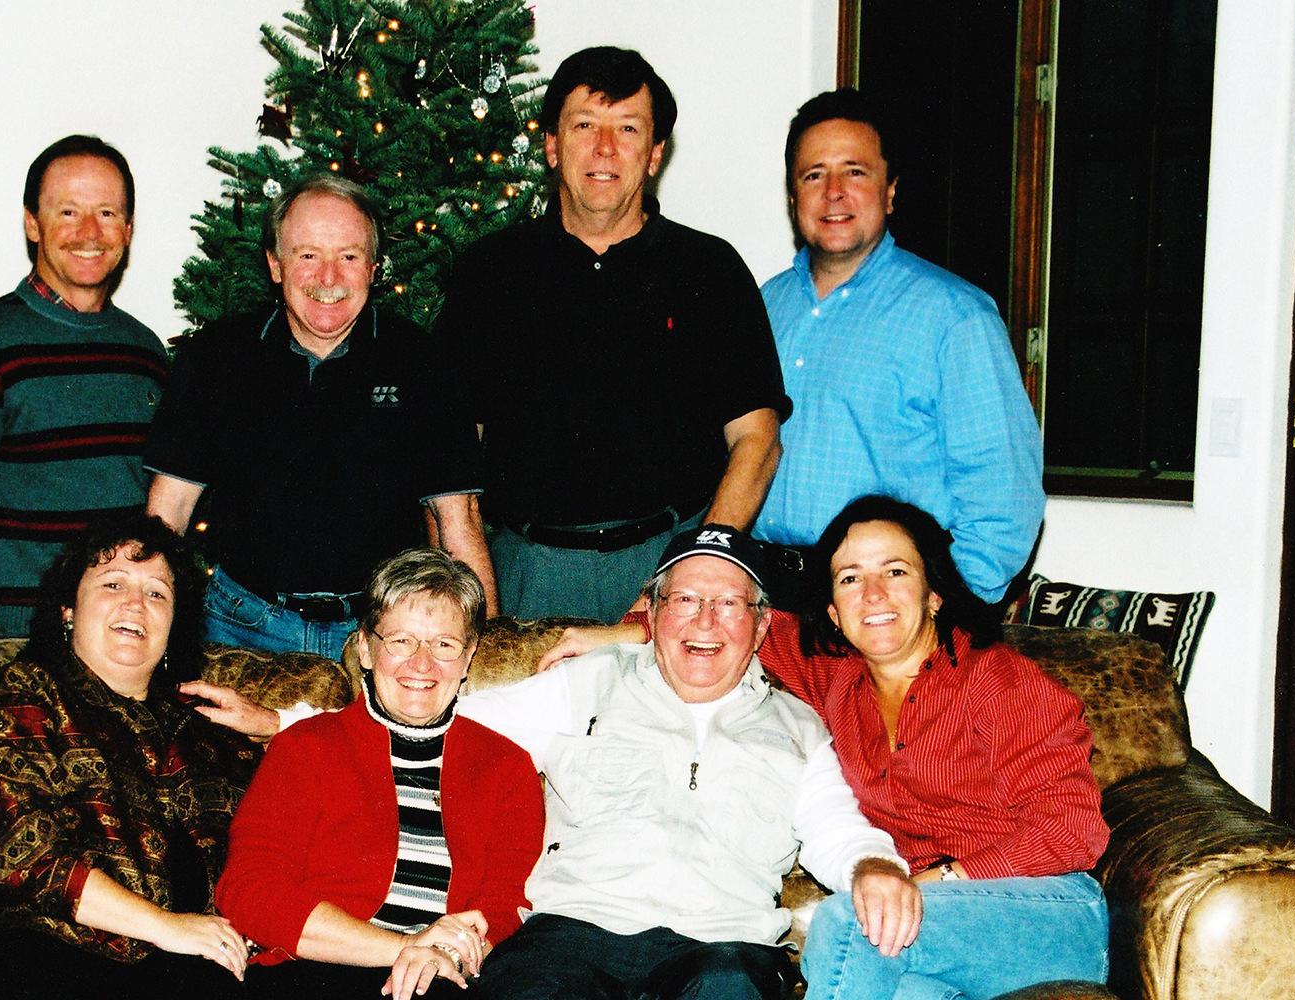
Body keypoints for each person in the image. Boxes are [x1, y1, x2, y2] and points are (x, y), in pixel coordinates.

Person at [542, 496, 1110, 999]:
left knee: (851, 923)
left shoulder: (1005, 685)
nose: (875, 595)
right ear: (834, 614)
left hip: (1044, 913)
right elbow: (721, 624)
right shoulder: (836, 675)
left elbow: (1071, 832)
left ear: (934, 593)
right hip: (919, 932)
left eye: (895, 571)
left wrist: (931, 881)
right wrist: (619, 633)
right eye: (850, 578)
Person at [436, 46, 789, 622]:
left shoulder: (710, 270)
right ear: (552, 145)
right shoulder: (489, 272)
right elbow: (450, 452)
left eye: (627, 128)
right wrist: (474, 601)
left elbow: (758, 441)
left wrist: (695, 568)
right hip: (524, 573)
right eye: (583, 127)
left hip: (670, 563)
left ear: (654, 154)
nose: (605, 149)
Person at [146, 174, 494, 658]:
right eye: (308, 255)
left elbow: (460, 526)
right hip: (236, 628)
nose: (328, 278)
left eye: (348, 257)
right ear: (275, 263)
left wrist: (479, 664)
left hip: (383, 636)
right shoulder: (215, 357)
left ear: (373, 267)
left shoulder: (424, 364)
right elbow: (168, 514)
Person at [0, 514, 258, 999]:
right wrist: (165, 926)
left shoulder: (205, 727)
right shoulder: (18, 700)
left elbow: (288, 827)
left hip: (187, 964)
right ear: (68, 608)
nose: (136, 603)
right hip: (36, 954)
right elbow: (18, 851)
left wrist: (276, 728)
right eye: (113, 583)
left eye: (157, 593)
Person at [754, 88, 1043, 604]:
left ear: (890, 191)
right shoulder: (758, 308)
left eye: (856, 172)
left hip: (883, 607)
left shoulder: (954, 317)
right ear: (793, 196)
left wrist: (948, 614)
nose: (834, 192)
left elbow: (1004, 499)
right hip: (764, 600)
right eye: (814, 174)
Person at [215, 548, 544, 1000]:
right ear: (366, 649)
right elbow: (249, 890)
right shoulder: (307, 746)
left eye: (444, 644)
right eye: (401, 641)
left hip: (436, 981)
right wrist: (405, 948)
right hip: (315, 967)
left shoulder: (507, 767)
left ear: (468, 658)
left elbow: (506, 904)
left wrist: (456, 949)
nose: (422, 664)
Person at [0, 135, 167, 639]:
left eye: (107, 213)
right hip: (27, 646)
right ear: (32, 223)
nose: (90, 231)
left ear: (128, 229)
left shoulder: (146, 354)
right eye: (68, 212)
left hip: (134, 646)